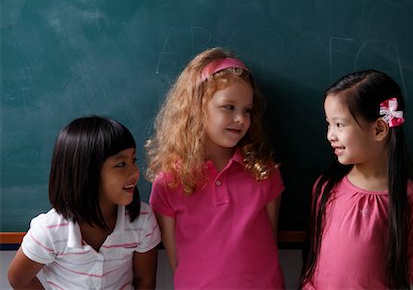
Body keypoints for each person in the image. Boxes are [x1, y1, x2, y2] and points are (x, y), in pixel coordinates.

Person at [145, 47, 285, 289]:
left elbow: (270, 242)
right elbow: (175, 259)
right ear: (197, 107)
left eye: (247, 110)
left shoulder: (264, 171)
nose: (240, 118)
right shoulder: (169, 181)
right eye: (228, 107)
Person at [300, 70, 413, 289]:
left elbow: (411, 272)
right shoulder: (326, 188)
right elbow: (314, 264)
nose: (330, 135)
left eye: (340, 125)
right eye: (329, 123)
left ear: (379, 129)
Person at [8, 116, 161, 290]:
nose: (134, 172)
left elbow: (145, 281)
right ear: (88, 172)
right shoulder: (50, 229)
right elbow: (17, 278)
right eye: (121, 164)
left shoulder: (142, 220)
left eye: (133, 161)